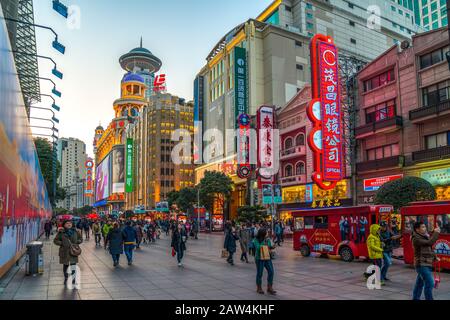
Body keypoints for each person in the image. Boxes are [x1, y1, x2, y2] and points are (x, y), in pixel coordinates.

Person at [412, 221, 440, 300]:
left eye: (425, 226)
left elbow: (430, 249)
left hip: (427, 263)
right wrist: (436, 233)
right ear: (417, 230)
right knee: (430, 283)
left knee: (419, 284)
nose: (425, 228)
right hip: (421, 264)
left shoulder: (424, 236)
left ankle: (415, 298)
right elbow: (429, 243)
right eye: (423, 227)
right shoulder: (416, 239)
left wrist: (435, 257)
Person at [53, 220, 82, 286]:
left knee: (73, 266)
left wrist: (78, 242)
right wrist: (62, 243)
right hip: (64, 251)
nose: (69, 224)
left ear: (72, 224)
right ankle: (66, 278)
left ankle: (73, 279)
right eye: (67, 223)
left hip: (73, 251)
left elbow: (80, 239)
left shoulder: (76, 231)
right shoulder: (61, 232)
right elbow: (55, 241)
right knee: (65, 265)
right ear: (64, 225)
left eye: (70, 223)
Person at [252, 228, 276, 295]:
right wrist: (265, 243)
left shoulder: (267, 239)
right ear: (263, 234)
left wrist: (273, 245)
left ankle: (270, 287)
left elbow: (269, 246)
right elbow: (258, 247)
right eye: (266, 233)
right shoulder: (255, 240)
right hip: (259, 258)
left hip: (267, 257)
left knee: (271, 272)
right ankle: (259, 288)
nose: (267, 234)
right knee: (260, 273)